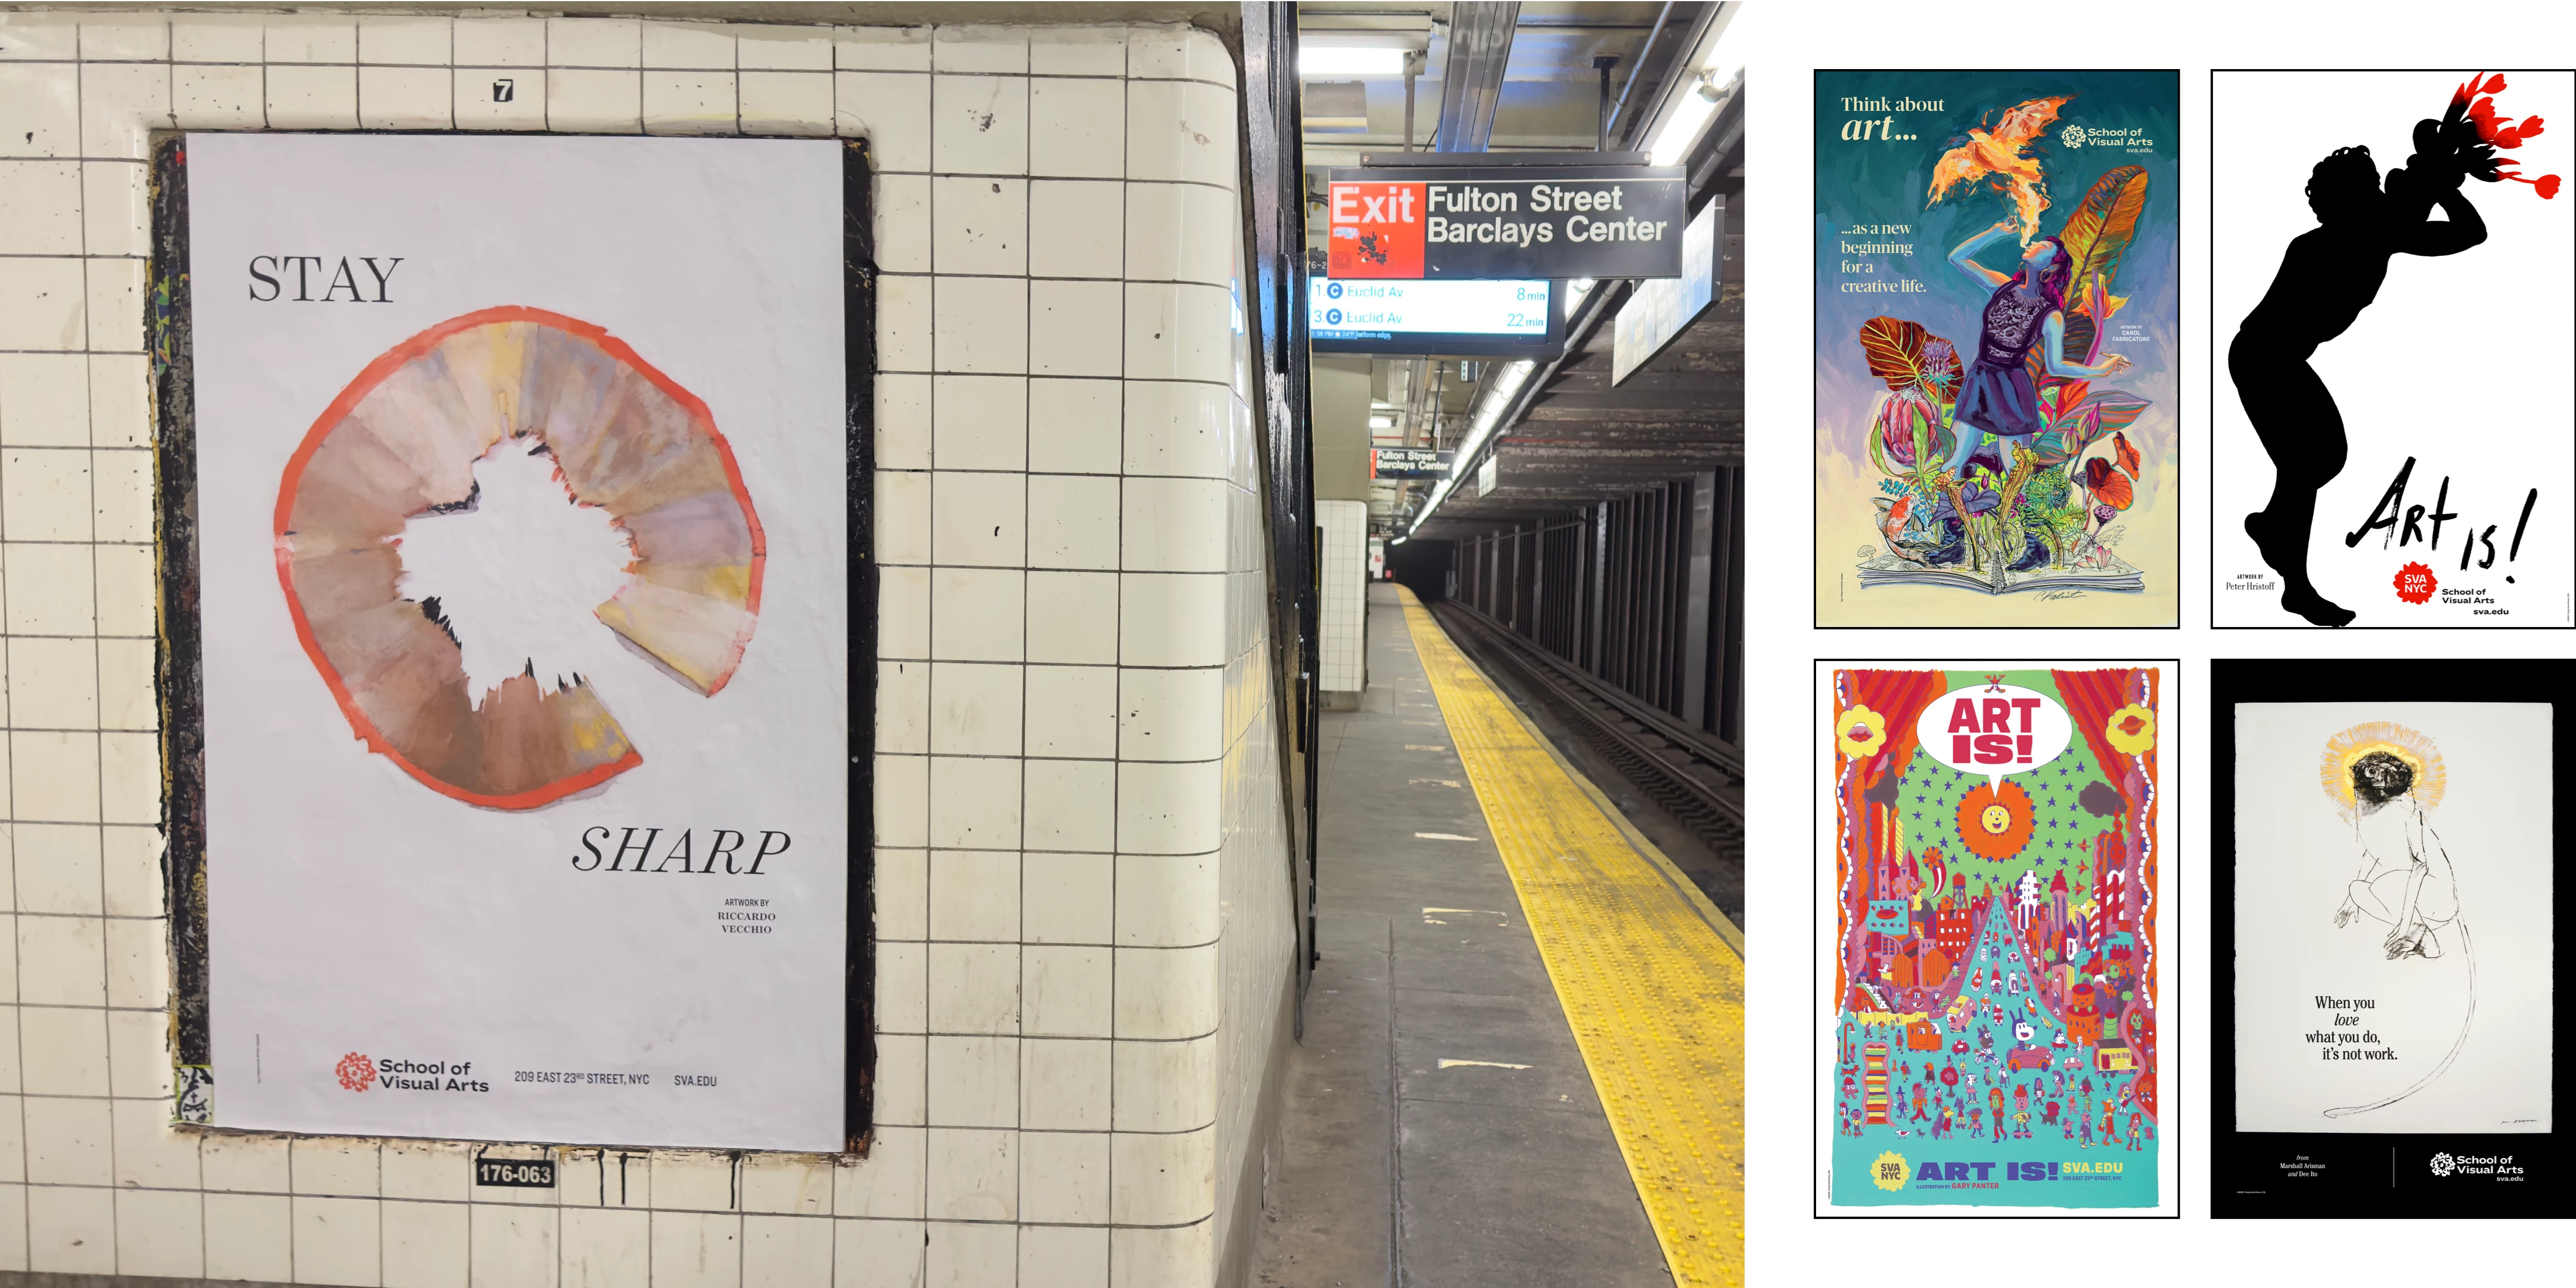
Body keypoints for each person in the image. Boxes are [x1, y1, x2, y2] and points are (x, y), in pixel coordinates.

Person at [2232, 142, 2486, 626]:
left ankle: (2270, 526)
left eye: (2373, 186)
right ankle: (2297, 588)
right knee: (2308, 464)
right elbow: (2449, 231)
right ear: (2341, 201)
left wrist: (2440, 187)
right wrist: (2433, 189)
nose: (2376, 192)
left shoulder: (2376, 233)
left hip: (2279, 359)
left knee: (2324, 460)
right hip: (2262, 357)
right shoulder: (2332, 242)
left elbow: (2468, 233)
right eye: (2365, 188)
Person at [1934, 218, 2135, 568]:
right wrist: (1996, 231)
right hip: (1980, 381)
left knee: (2016, 475)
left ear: (2051, 266)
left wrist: (2101, 371)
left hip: (2011, 391)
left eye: (2043, 246)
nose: (2034, 245)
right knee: (1951, 464)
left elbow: (2057, 367)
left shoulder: (2050, 314)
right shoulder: (2002, 287)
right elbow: (1957, 258)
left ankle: (2036, 547)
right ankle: (1954, 541)